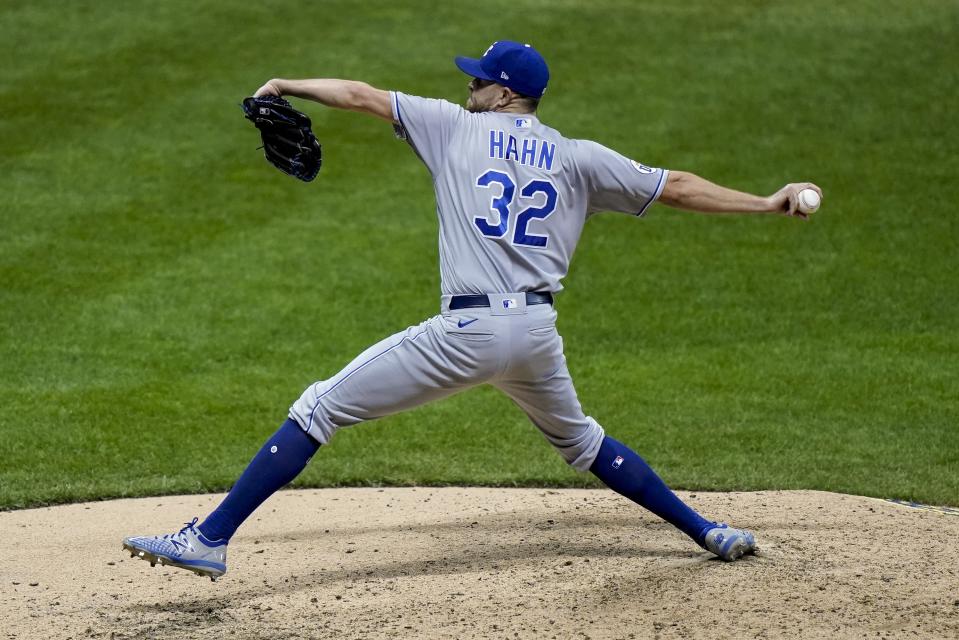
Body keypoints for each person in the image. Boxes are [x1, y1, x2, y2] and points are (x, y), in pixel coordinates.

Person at [123, 41, 821, 579]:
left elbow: (362, 95)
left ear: (504, 92)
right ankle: (706, 532)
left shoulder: (452, 127)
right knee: (581, 443)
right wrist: (766, 201)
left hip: (469, 331)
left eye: (477, 79)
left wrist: (283, 84)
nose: (468, 86)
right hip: (536, 335)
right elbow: (677, 186)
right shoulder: (575, 157)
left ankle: (208, 539)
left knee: (318, 407)